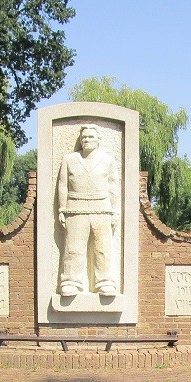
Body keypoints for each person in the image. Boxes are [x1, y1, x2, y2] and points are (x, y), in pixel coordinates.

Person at [57, 125, 120, 296]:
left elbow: (113, 186)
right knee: (74, 247)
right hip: (76, 207)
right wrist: (62, 208)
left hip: (102, 208)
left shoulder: (108, 160)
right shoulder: (69, 159)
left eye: (91, 137)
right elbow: (63, 185)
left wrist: (115, 211)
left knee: (103, 248)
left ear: (98, 140)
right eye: (84, 137)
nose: (86, 140)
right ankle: (70, 281)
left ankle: (105, 282)